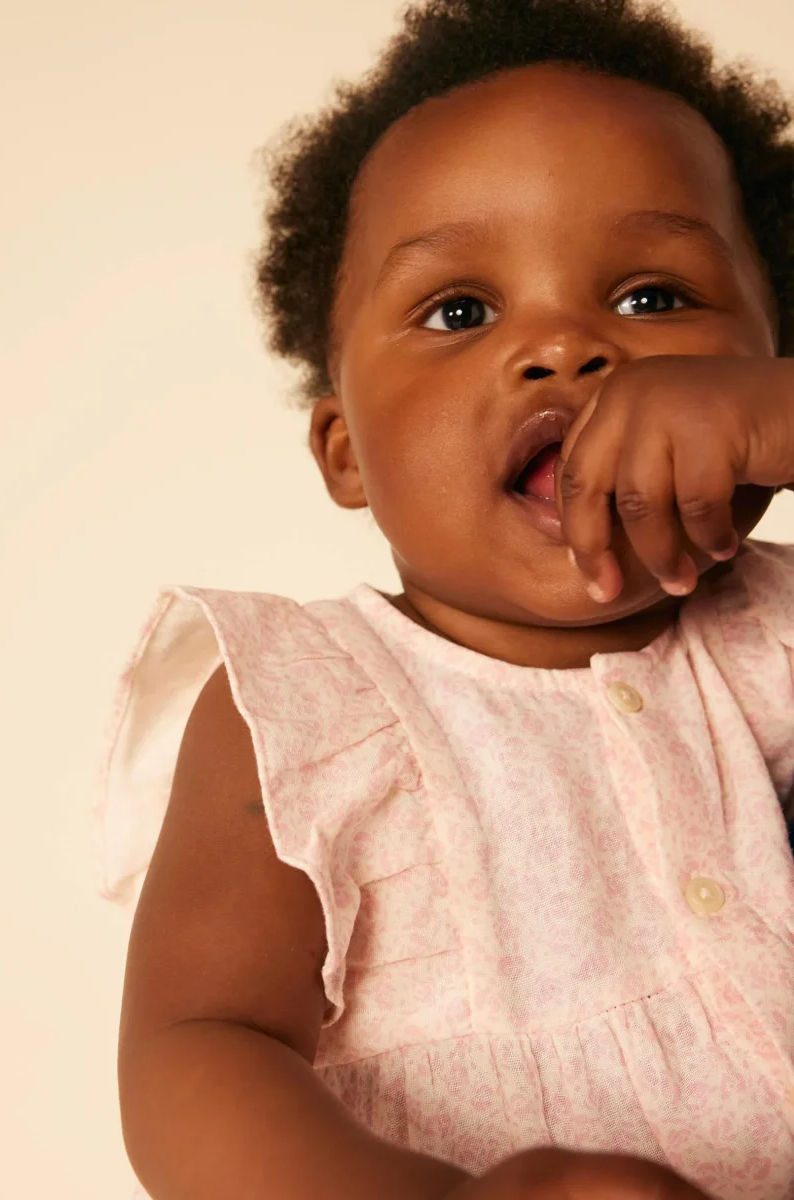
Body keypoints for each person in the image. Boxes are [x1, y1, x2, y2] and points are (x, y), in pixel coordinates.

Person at [96, 1, 794, 1196]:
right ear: (344, 453)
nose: (566, 348)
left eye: (650, 298)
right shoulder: (304, 704)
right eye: (460, 311)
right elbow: (196, 1049)